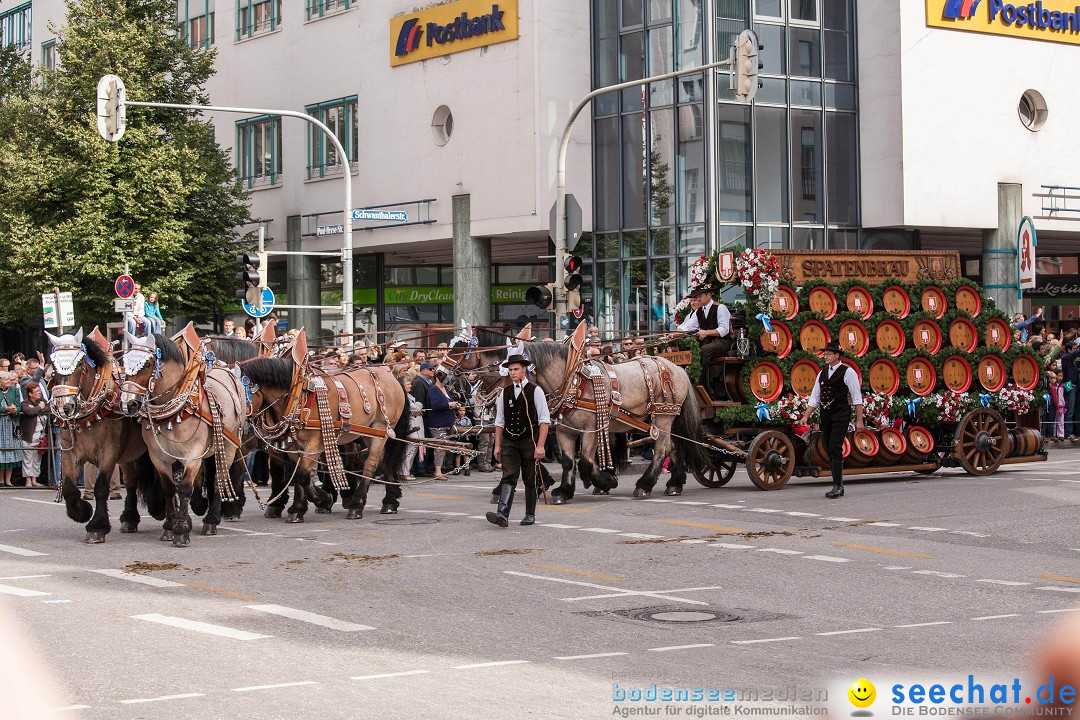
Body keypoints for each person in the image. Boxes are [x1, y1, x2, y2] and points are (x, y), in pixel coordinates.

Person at [487, 354, 551, 527]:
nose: (513, 373)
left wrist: (540, 446)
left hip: (529, 440)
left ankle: (530, 514)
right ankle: (502, 515)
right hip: (509, 440)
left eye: (516, 369)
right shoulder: (505, 392)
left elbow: (544, 421)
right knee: (508, 475)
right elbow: (499, 421)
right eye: (510, 370)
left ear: (524, 370)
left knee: (530, 477)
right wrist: (497, 445)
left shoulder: (535, 390)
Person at [798, 341, 864, 499]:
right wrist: (806, 415)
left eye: (828, 354)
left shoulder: (848, 372)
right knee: (828, 445)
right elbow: (815, 397)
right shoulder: (822, 373)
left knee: (835, 445)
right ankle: (837, 479)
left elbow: (856, 397)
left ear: (837, 355)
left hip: (841, 412)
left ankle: (838, 485)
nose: (825, 356)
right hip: (826, 413)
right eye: (824, 354)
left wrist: (859, 419)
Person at [676, 285, 732, 399]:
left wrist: (706, 333)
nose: (698, 299)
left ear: (708, 295)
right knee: (687, 348)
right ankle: (683, 380)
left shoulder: (720, 308)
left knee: (704, 350)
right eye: (697, 297)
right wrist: (676, 332)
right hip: (709, 341)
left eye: (700, 296)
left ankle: (701, 384)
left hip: (724, 341)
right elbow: (689, 325)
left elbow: (724, 329)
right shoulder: (699, 311)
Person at [426, 369, 460, 480]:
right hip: (437, 422)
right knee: (440, 447)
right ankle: (437, 471)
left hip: (447, 422)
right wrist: (449, 404)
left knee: (445, 447)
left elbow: (448, 401)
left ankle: (442, 467)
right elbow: (435, 405)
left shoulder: (445, 388)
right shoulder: (433, 390)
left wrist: (455, 404)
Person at [19, 381, 48, 488]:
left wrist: (38, 408)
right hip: (29, 435)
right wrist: (39, 408)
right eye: (36, 391)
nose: (39, 393)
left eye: (39, 391)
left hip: (40, 435)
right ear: (30, 393)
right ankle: (28, 480)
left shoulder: (42, 401)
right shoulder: (25, 403)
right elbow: (29, 412)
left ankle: (34, 479)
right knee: (27, 458)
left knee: (37, 458)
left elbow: (48, 408)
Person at [0, 372, 21, 487]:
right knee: (1, 451)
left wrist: (15, 409)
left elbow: (19, 405)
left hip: (11, 424)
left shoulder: (14, 390)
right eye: (6, 379)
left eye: (9, 379)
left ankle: (8, 480)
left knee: (10, 452)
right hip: (0, 425)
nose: (9, 381)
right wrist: (5, 408)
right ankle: (1, 480)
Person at [452, 406, 473, 476]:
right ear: (457, 411)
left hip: (465, 438)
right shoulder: (455, 419)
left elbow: (470, 429)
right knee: (458, 454)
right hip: (458, 438)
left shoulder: (467, 420)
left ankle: (467, 468)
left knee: (466, 454)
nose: (462, 412)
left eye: (463, 410)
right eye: (460, 410)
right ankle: (457, 468)